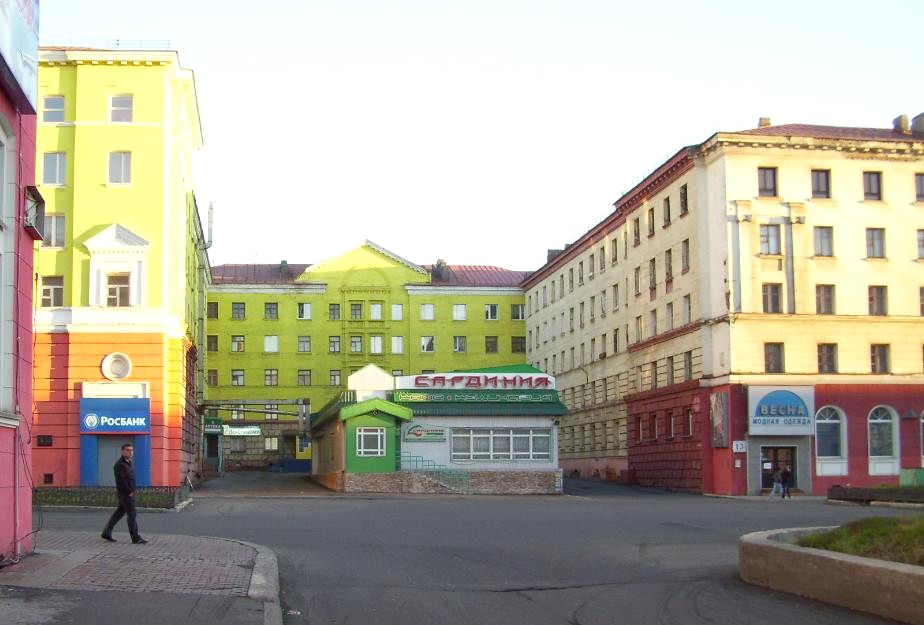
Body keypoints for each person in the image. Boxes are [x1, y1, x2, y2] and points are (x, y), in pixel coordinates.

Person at [101, 443, 147, 544]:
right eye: (128, 450)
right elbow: (122, 481)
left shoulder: (128, 463)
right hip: (126, 494)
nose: (130, 452)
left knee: (119, 513)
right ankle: (135, 538)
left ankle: (106, 532)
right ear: (122, 451)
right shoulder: (120, 465)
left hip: (127, 493)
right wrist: (130, 491)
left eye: (132, 450)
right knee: (132, 514)